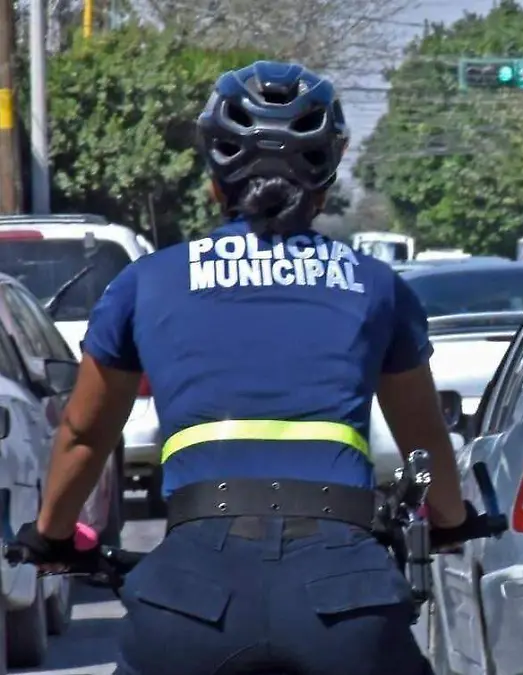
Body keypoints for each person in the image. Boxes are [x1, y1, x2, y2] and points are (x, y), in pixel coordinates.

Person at [13, 61, 468, 675]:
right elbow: (424, 440)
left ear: (214, 183)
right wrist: (452, 521)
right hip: (344, 602)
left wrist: (52, 536)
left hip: (191, 602)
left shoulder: (146, 283)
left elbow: (86, 433)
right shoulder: (377, 287)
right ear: (325, 184)